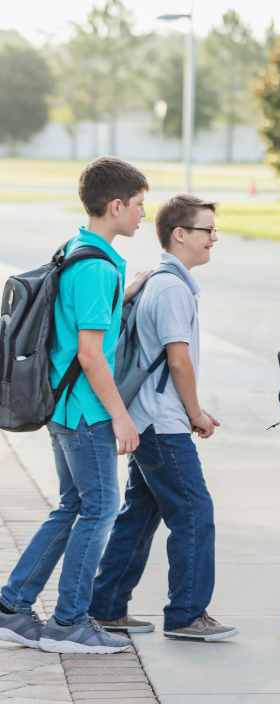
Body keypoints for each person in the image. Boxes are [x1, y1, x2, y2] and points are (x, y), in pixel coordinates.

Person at [0, 157, 147, 654]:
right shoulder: (97, 267)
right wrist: (121, 417)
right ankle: (68, 623)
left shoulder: (77, 250)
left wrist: (127, 290)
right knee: (100, 508)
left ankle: (13, 606)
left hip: (62, 408)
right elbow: (90, 354)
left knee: (72, 506)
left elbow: (81, 323)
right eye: (140, 205)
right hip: (87, 412)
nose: (144, 215)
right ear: (116, 205)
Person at [89, 194, 237, 642]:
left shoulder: (161, 281)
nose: (214, 238)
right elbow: (178, 361)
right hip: (163, 423)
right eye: (207, 230)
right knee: (194, 513)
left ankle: (107, 606)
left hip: (150, 419)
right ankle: (187, 614)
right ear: (180, 234)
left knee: (139, 515)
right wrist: (196, 414)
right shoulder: (172, 288)